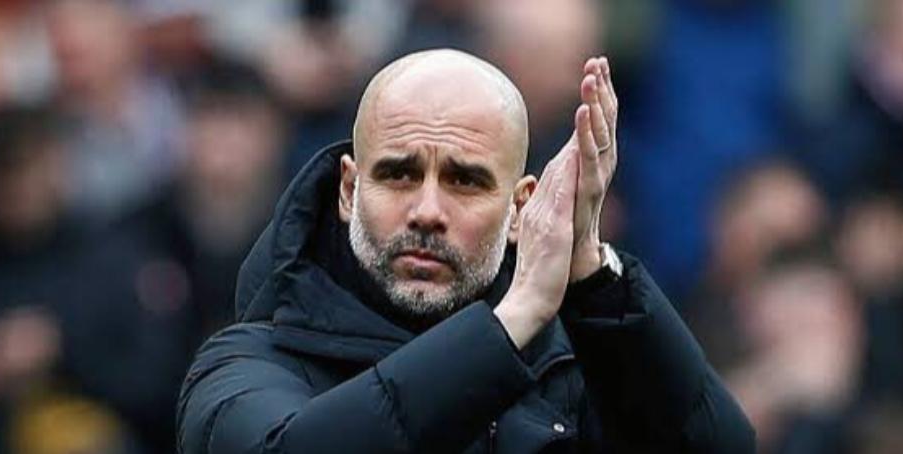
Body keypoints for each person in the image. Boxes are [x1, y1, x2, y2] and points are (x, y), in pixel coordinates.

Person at [177, 49, 754, 453]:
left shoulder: (571, 371)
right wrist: (511, 323)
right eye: (399, 175)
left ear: (520, 209)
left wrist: (592, 275)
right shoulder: (249, 361)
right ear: (349, 190)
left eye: (465, 181)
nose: (427, 210)